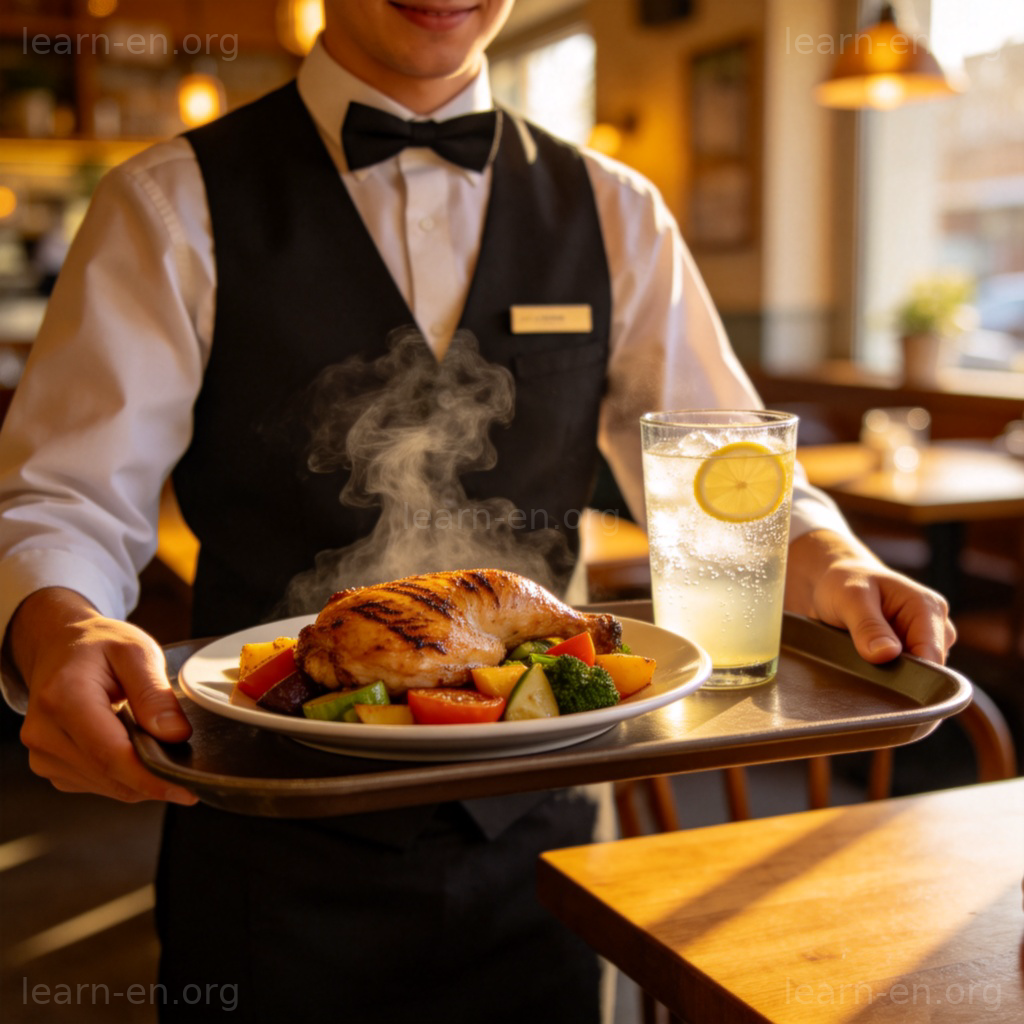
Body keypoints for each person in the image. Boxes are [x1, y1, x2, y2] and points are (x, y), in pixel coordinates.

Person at [0, 1, 954, 1021]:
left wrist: (827, 554)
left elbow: (724, 469)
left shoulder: (616, 208)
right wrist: (60, 623)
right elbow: (64, 493)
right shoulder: (166, 200)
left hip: (546, 831)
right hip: (267, 837)